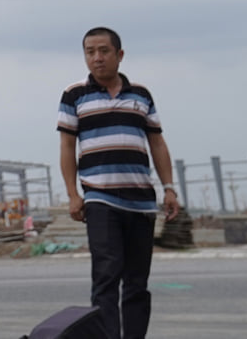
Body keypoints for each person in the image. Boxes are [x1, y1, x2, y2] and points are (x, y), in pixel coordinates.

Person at [58, 26, 180, 339]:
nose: (96, 58)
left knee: (137, 282)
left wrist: (169, 188)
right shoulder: (74, 95)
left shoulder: (141, 95)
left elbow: (157, 144)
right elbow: (67, 148)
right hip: (100, 199)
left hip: (141, 201)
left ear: (119, 55)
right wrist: (73, 194)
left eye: (103, 51)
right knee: (106, 276)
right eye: (89, 52)